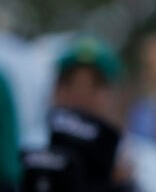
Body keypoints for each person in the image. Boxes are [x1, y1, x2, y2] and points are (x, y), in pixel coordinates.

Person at [20, 36, 134, 192]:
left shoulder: (136, 160)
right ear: (55, 90)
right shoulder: (27, 144)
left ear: (114, 96)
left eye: (95, 85)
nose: (81, 94)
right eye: (70, 82)